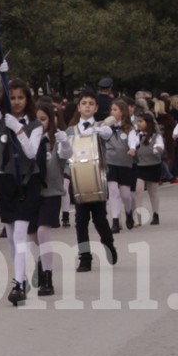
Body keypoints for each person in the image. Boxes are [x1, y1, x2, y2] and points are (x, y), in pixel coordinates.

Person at [0, 76, 43, 306]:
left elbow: (31, 152)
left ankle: (18, 283)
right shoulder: (0, 119)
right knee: (10, 235)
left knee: (20, 233)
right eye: (12, 97)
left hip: (28, 181)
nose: (17, 102)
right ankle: (22, 275)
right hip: (6, 180)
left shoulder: (35, 125)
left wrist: (18, 128)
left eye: (21, 98)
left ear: (27, 100)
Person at [67, 90, 118, 274]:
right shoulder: (71, 130)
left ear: (96, 108)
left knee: (100, 220)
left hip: (97, 181)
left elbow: (106, 134)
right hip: (79, 182)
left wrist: (99, 128)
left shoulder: (100, 127)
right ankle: (85, 258)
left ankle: (108, 244)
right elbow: (66, 155)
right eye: (84, 103)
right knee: (80, 221)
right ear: (79, 107)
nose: (87, 106)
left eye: (91, 103)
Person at [30, 101, 71, 296]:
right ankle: (40, 262)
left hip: (52, 193)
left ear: (51, 120)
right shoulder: (28, 141)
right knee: (31, 235)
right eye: (36, 119)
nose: (40, 123)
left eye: (44, 119)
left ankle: (48, 276)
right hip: (31, 193)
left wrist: (64, 141)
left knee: (43, 231)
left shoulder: (55, 141)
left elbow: (66, 154)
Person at [104, 99, 138, 233]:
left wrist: (132, 149)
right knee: (113, 191)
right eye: (111, 109)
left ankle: (128, 212)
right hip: (110, 161)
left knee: (125, 194)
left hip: (125, 163)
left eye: (115, 110)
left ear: (123, 112)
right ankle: (115, 220)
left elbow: (133, 140)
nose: (112, 112)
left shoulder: (130, 128)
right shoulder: (106, 128)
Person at [134, 112, 165, 225]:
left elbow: (160, 146)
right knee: (138, 190)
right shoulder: (136, 135)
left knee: (153, 191)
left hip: (153, 165)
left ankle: (155, 214)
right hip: (140, 165)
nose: (138, 124)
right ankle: (138, 215)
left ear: (148, 123)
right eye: (138, 121)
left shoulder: (156, 136)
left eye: (141, 121)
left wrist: (158, 148)